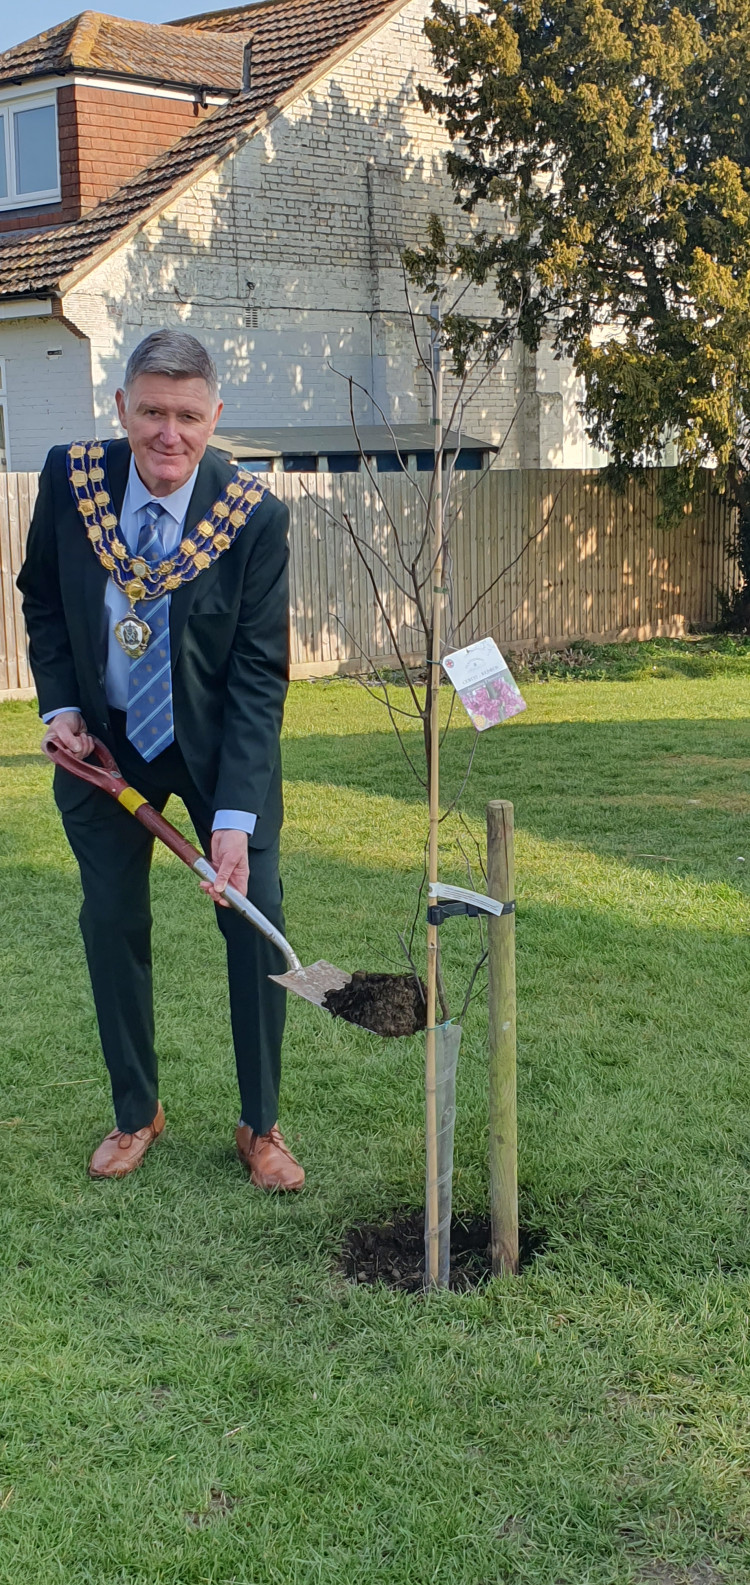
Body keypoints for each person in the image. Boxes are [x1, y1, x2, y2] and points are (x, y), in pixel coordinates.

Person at [18, 328, 304, 1190]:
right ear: (122, 409)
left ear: (213, 416)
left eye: (186, 414)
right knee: (111, 923)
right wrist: (63, 703)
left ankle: (261, 1126)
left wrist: (234, 819)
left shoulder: (252, 518)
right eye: (151, 412)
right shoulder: (73, 485)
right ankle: (136, 1109)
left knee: (255, 924)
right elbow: (42, 598)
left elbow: (258, 674)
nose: (167, 433)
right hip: (105, 747)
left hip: (215, 753)